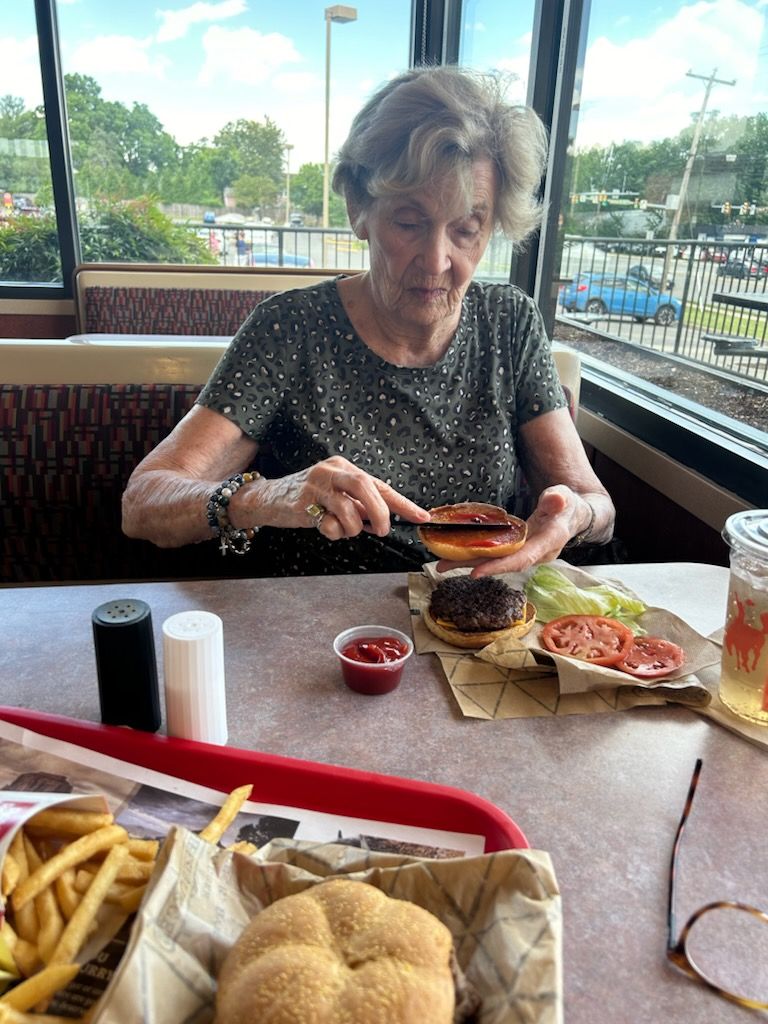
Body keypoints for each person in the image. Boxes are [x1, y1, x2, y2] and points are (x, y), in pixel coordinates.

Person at [122, 66, 615, 578]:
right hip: (320, 616)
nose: (436, 261)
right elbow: (143, 502)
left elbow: (595, 504)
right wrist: (267, 497)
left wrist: (576, 515)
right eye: (409, 223)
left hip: (470, 610)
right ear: (359, 206)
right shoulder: (290, 328)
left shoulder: (509, 322)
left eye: (467, 230)